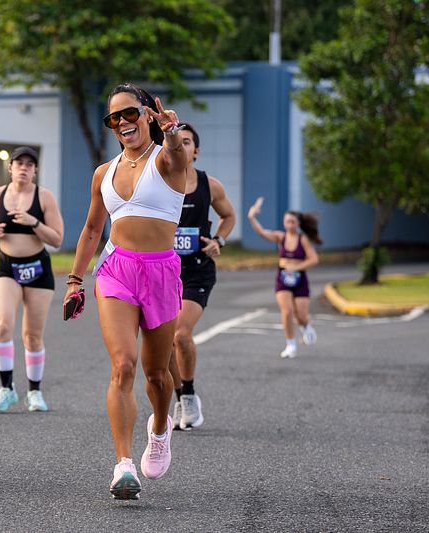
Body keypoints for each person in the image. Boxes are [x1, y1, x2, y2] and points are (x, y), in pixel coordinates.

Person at [64, 83, 188, 500]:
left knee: (158, 373)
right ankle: (123, 465)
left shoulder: (168, 158)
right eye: (113, 117)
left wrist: (171, 132)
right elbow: (92, 229)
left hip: (161, 272)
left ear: (149, 113)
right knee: (124, 365)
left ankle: (159, 426)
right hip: (116, 271)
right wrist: (75, 280)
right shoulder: (105, 171)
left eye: (130, 113)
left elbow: (176, 154)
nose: (122, 123)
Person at [0, 147, 64, 413]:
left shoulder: (44, 197)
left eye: (29, 164)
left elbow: (57, 239)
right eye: (19, 164)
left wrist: (33, 222)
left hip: (38, 268)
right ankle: (7, 389)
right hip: (7, 267)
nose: (24, 168)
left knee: (32, 334)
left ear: (35, 170)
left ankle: (35, 392)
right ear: (11, 168)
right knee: (3, 325)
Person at [168, 123, 236, 431]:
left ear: (196, 150)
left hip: (197, 271)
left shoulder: (211, 185)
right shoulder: (160, 181)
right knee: (165, 343)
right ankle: (179, 396)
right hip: (164, 271)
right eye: (177, 142)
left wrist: (218, 241)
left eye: (187, 142)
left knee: (181, 334)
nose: (182, 146)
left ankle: (190, 394)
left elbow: (229, 215)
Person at [247, 201, 321, 358]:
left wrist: (296, 267)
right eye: (287, 221)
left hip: (300, 279)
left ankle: (306, 326)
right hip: (283, 279)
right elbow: (261, 232)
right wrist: (252, 217)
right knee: (287, 312)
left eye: (292, 221)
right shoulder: (280, 237)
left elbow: (314, 259)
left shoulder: (303, 240)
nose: (289, 224)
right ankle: (291, 345)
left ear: (298, 223)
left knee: (301, 315)